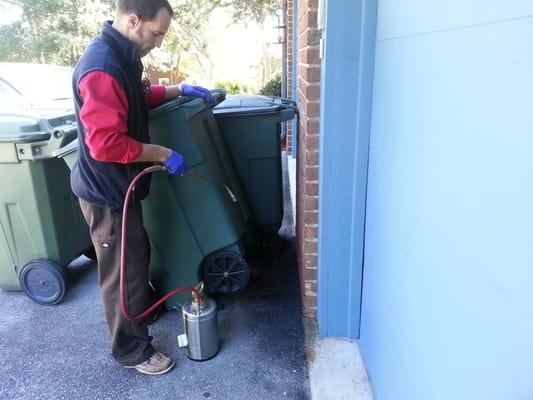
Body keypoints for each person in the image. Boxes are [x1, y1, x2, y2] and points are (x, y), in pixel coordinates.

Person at [70, 0, 215, 375]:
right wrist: (163, 152)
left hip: (121, 186)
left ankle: (140, 314)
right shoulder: (102, 67)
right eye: (156, 33)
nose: (159, 42)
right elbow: (107, 143)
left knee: (135, 255)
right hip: (106, 190)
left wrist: (178, 89)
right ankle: (131, 350)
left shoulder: (123, 55)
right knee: (123, 271)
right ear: (133, 20)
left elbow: (137, 98)